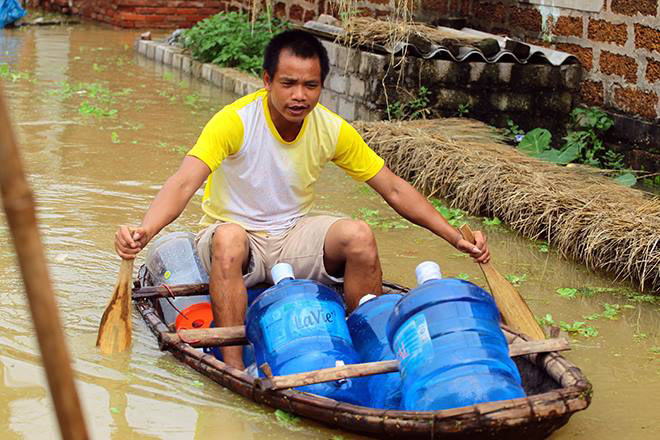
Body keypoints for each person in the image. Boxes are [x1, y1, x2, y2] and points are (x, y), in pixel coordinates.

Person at [115, 29, 490, 370]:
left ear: (322, 86)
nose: (299, 96)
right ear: (267, 81)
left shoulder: (331, 128)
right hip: (234, 238)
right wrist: (144, 230)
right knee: (230, 238)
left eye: (310, 85)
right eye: (288, 83)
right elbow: (183, 183)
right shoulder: (235, 121)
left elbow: (392, 187)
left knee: (359, 235)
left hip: (294, 236)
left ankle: (368, 347)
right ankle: (230, 362)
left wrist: (453, 236)